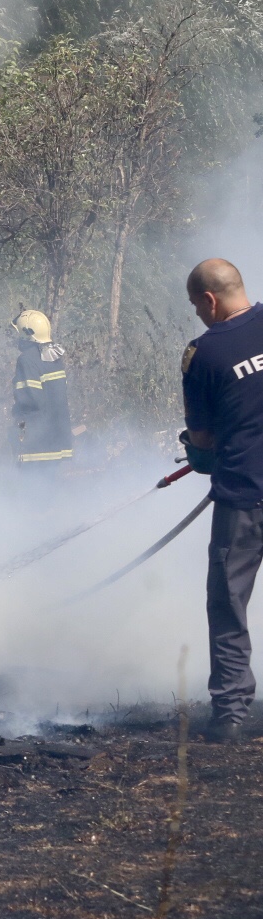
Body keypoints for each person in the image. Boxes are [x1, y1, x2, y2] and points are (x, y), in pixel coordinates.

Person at [181, 258, 263, 743]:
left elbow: (204, 438)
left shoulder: (203, 353)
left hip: (242, 499)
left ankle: (232, 715)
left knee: (228, 604)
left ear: (209, 300)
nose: (197, 314)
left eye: (196, 305)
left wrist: (197, 453)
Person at [10, 309, 74, 469]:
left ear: (27, 334)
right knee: (49, 490)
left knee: (32, 491)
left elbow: (29, 400)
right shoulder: (53, 356)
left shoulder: (26, 360)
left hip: (36, 445)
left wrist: (17, 422)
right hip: (57, 439)